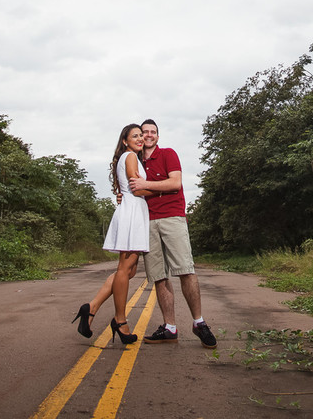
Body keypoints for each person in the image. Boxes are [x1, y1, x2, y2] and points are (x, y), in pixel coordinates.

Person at [128, 118, 217, 348]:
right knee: (158, 275)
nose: (147, 135)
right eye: (143, 132)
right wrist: (125, 194)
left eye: (152, 132)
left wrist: (144, 185)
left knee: (185, 270)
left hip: (172, 217)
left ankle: (199, 323)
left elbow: (175, 183)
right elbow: (132, 190)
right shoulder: (135, 161)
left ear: (157, 136)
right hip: (148, 221)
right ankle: (170, 327)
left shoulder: (168, 154)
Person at [73, 124, 151, 344]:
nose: (139, 139)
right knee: (125, 270)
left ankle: (92, 307)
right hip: (133, 213)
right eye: (134, 136)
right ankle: (120, 320)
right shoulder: (131, 157)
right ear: (125, 141)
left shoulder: (128, 157)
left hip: (133, 211)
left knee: (128, 271)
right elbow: (136, 188)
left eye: (140, 136)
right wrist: (165, 188)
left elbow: (128, 187)